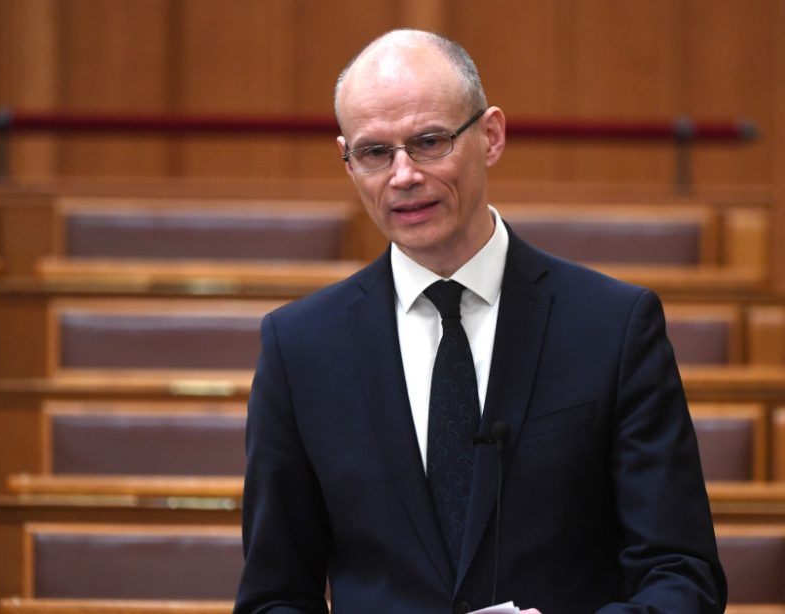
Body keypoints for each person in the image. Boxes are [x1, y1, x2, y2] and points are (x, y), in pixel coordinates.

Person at [234, 29, 726, 614]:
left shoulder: (614, 326)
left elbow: (681, 574)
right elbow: (274, 596)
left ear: (490, 136)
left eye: (429, 142)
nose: (403, 175)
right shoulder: (299, 347)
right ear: (347, 159)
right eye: (374, 153)